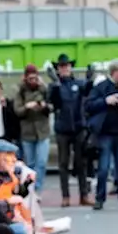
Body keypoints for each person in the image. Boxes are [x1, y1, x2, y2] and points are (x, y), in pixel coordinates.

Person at [85, 59, 118, 211]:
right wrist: (106, 101)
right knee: (103, 168)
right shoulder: (101, 88)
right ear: (114, 72)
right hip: (105, 134)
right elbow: (88, 105)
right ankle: (100, 198)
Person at [48, 53, 92, 206]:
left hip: (79, 127)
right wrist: (55, 84)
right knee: (63, 163)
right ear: (58, 69)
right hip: (62, 129)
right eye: (61, 66)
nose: (65, 68)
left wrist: (90, 79)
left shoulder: (78, 83)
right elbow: (54, 101)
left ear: (71, 67)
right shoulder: (55, 86)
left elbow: (88, 92)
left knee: (81, 163)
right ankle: (65, 196)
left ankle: (83, 195)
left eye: (66, 65)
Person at [14, 64, 51, 191]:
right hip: (28, 133)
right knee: (30, 164)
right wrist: (27, 107)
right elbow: (17, 110)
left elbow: (52, 106)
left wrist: (43, 106)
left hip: (42, 132)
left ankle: (37, 189)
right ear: (25, 78)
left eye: (35, 78)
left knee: (41, 162)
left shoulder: (44, 90)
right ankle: (30, 189)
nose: (33, 81)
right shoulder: (21, 92)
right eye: (30, 79)